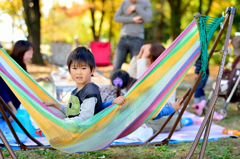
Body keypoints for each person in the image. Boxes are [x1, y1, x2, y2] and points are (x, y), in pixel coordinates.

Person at [43, 46, 125, 121]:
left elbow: (85, 118)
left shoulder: (90, 91)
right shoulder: (76, 91)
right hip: (72, 124)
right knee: (46, 108)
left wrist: (62, 122)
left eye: (83, 68)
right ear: (69, 71)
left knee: (46, 114)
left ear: (92, 71)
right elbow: (70, 112)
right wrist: (54, 104)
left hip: (81, 131)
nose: (79, 72)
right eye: (74, 68)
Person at [0, 40, 51, 120]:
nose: (31, 56)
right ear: (21, 52)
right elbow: (3, 91)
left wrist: (40, 78)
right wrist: (13, 110)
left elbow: (23, 82)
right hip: (9, 109)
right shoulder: (8, 67)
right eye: (29, 53)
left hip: (19, 104)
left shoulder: (21, 65)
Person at [112, 0, 152, 73]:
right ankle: (113, 83)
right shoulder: (124, 3)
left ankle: (133, 84)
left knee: (135, 68)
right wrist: (132, 19)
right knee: (116, 67)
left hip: (137, 39)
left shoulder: (146, 3)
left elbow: (148, 19)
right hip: (123, 38)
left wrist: (136, 7)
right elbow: (116, 18)